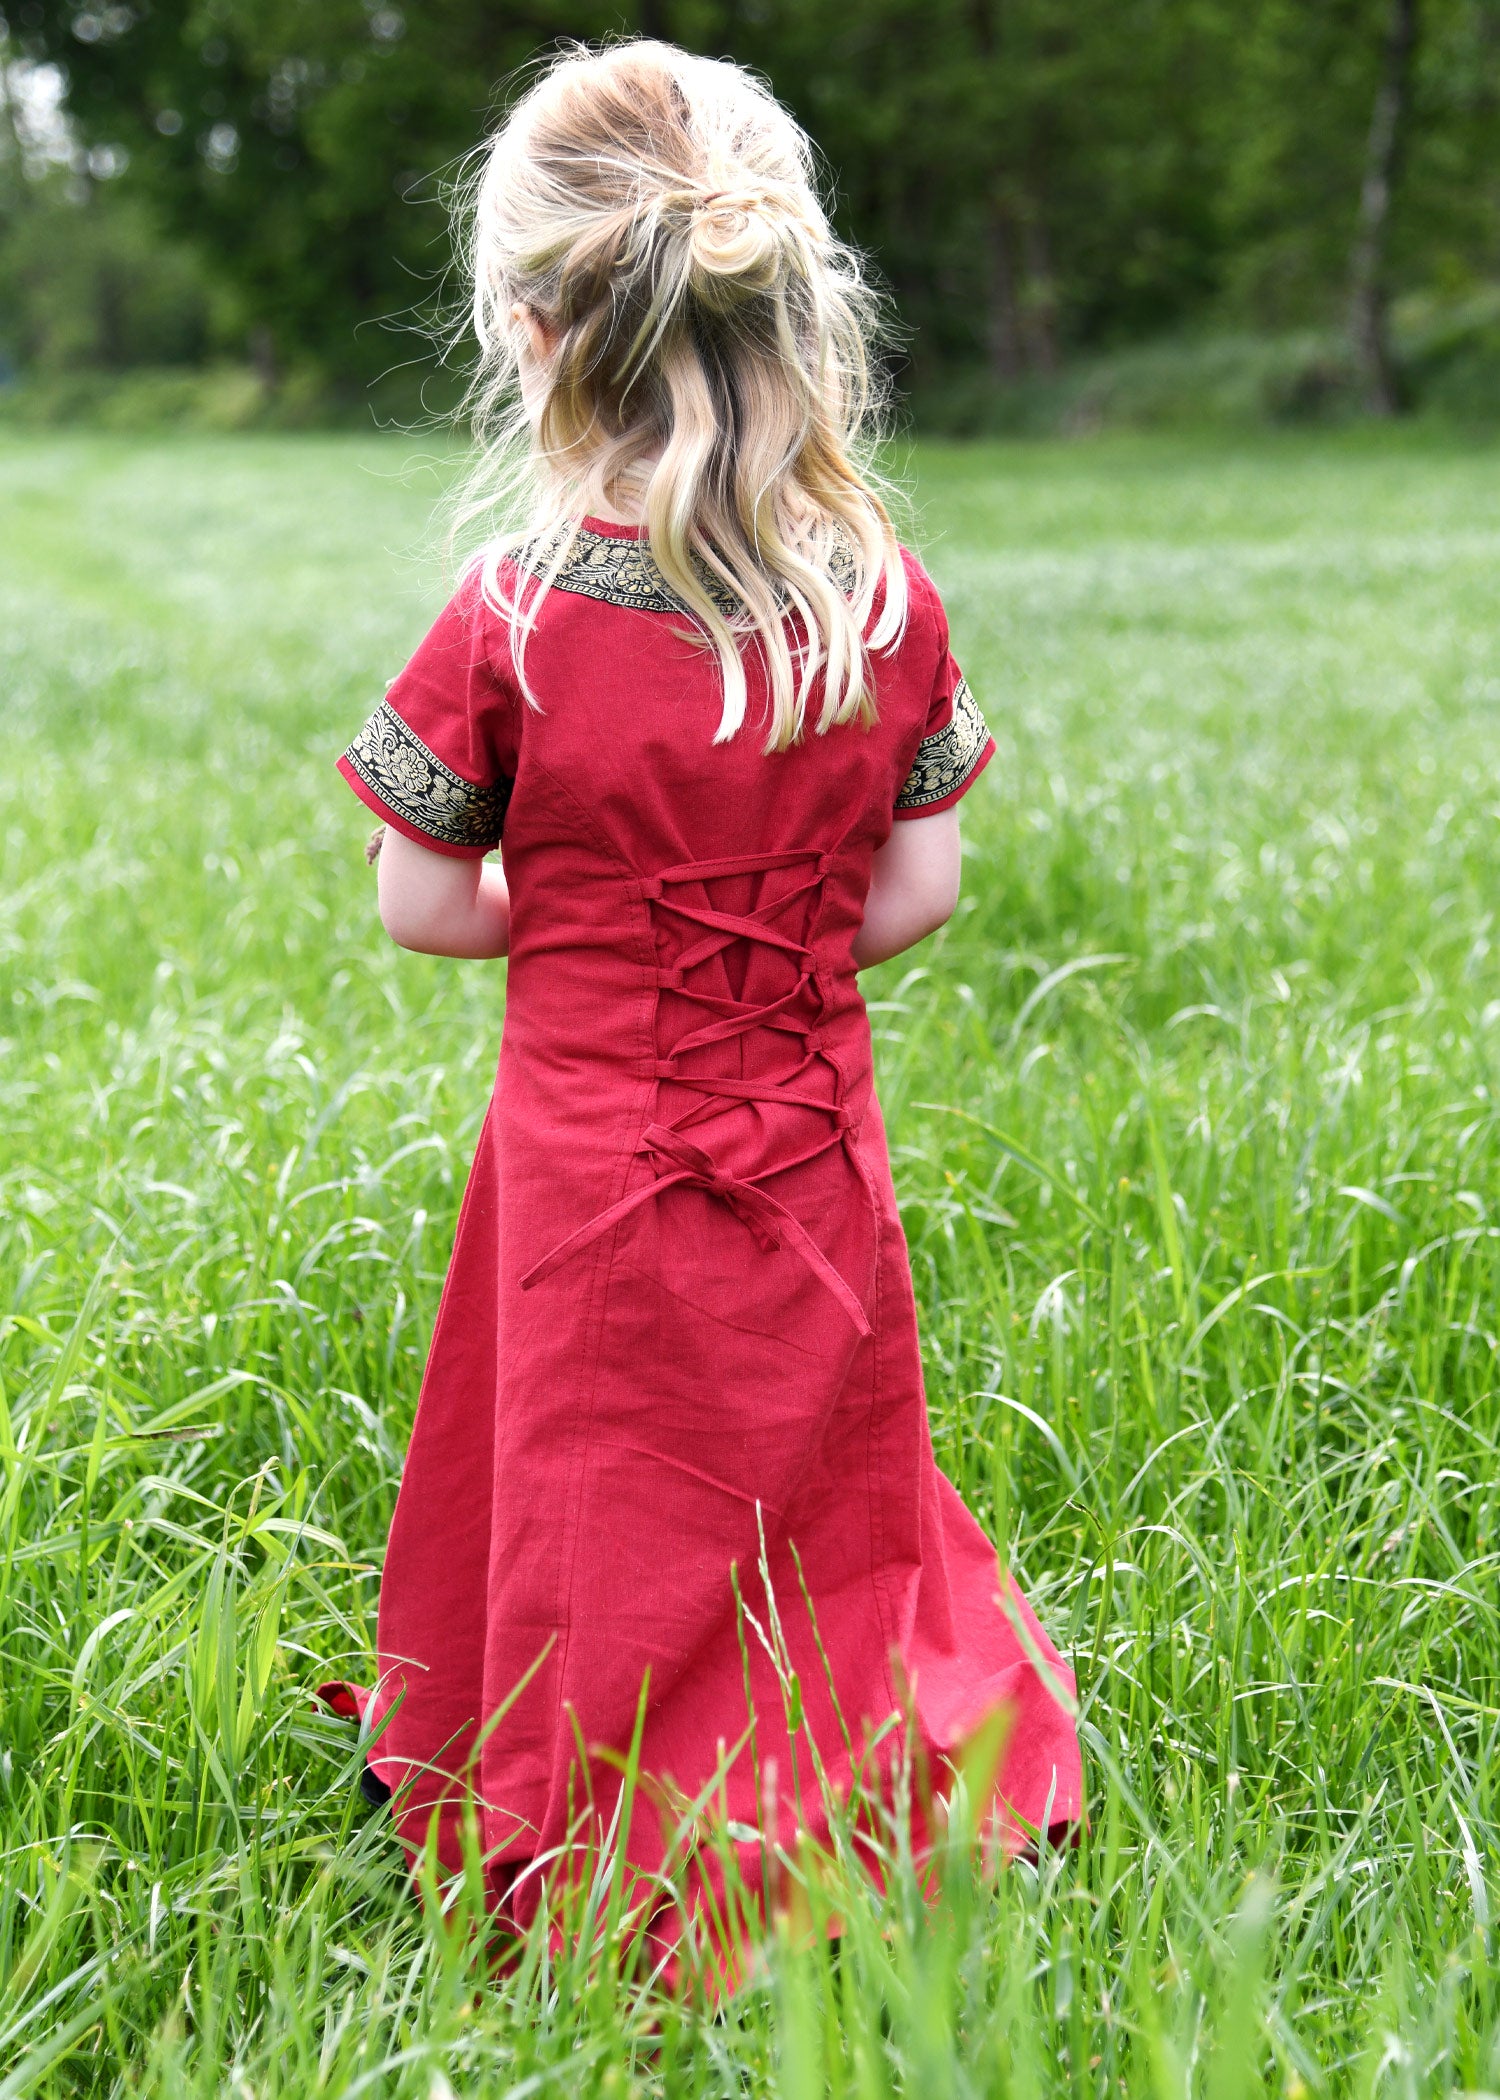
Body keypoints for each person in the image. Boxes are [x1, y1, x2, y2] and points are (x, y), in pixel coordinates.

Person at [321, 37, 1081, 1972]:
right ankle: (845, 1780)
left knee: (590, 1474)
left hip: (589, 1150)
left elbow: (422, 903)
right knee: (816, 1470)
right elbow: (919, 884)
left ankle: (578, 1809)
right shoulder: (875, 600)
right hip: (811, 1123)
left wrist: (576, 925)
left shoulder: (517, 618)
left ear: (532, 331)